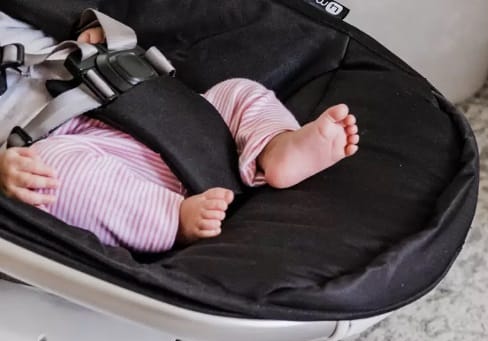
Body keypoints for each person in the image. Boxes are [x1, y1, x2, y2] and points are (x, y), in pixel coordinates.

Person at [0, 18, 359, 252]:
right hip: (83, 150)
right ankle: (172, 219)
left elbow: (68, 19)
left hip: (167, 115)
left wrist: (95, 31)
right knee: (48, 174)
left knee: (237, 92)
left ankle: (276, 146)